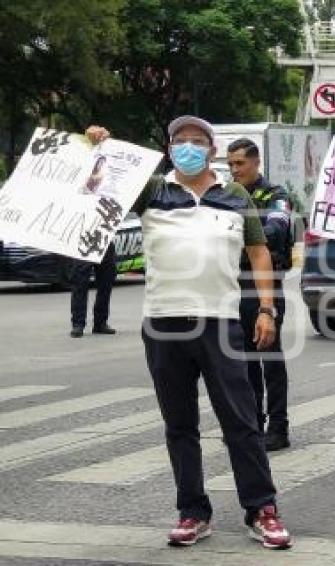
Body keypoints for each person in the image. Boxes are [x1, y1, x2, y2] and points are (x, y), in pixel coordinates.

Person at [84, 117, 291, 549]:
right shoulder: (152, 191)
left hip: (220, 322)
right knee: (180, 425)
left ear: (212, 149)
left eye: (198, 141)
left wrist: (267, 308)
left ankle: (262, 509)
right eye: (181, 141)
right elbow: (98, 188)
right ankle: (193, 512)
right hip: (163, 323)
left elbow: (259, 253)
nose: (190, 147)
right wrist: (98, 147)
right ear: (168, 148)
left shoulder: (235, 197)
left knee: (242, 420)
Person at [227, 138, 293, 452]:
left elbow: (277, 230)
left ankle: (278, 427)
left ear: (255, 163)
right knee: (243, 361)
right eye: (230, 164)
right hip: (233, 284)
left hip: (264, 284)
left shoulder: (274, 195)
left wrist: (242, 237)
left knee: (270, 358)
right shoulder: (226, 196)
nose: (234, 170)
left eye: (239, 163)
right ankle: (253, 422)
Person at [69, 242, 117, 337]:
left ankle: (100, 323)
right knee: (79, 283)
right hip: (84, 241)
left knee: (106, 282)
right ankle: (78, 324)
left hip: (105, 241)